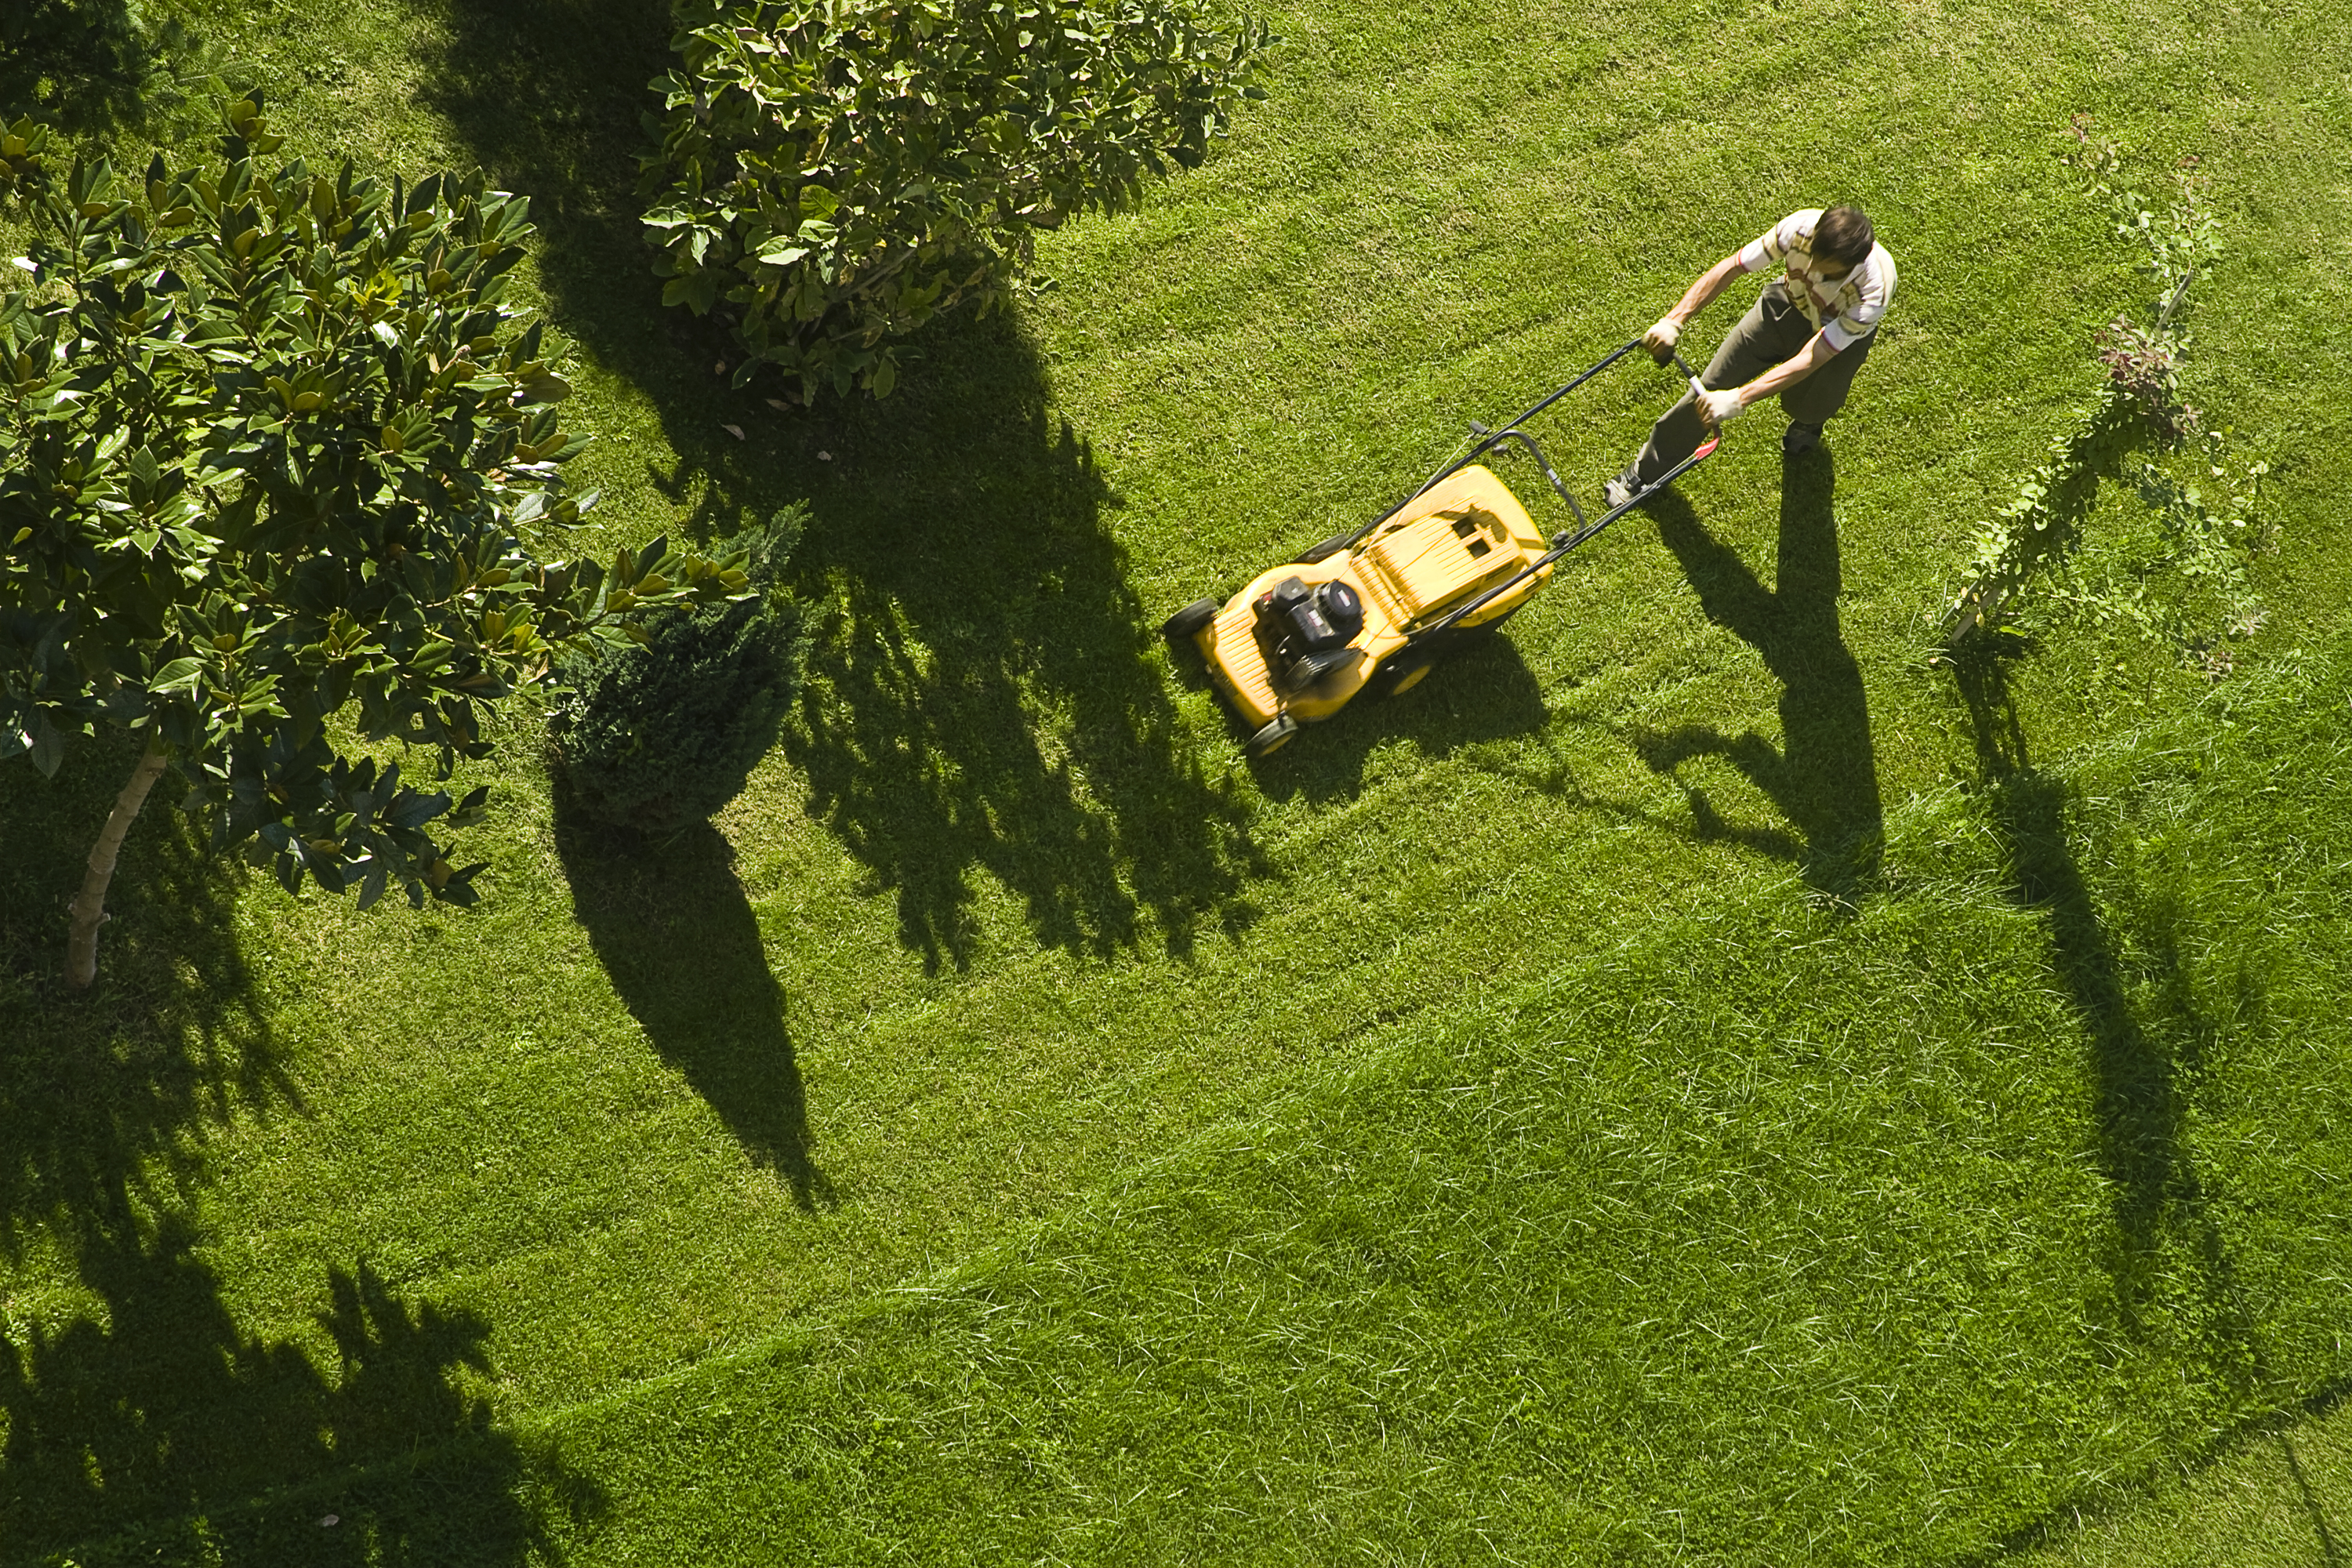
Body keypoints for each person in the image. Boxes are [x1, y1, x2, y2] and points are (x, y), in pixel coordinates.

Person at [1604, 205, 1896, 510]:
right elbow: (1734, 266)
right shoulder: (1800, 227)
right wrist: (1674, 319)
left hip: (1833, 337)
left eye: (1825, 270)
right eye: (1811, 257)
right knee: (1710, 387)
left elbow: (1814, 356)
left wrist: (1739, 399)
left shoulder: (1873, 290)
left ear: (1853, 264)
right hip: (1786, 305)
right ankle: (1645, 472)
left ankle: (1809, 423)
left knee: (1807, 405)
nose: (1811, 270)